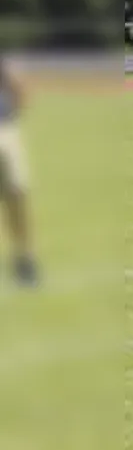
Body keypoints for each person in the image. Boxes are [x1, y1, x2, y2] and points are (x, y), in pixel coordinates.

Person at [0, 57, 36, 286]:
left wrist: (11, 117)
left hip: (3, 131)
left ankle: (24, 260)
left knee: (16, 196)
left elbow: (17, 86)